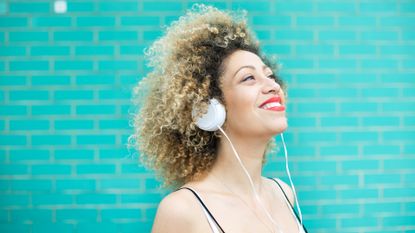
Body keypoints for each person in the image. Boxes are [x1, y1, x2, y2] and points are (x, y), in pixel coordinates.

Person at [131, 4, 308, 233]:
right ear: (210, 110)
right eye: (248, 78)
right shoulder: (183, 210)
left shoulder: (283, 193)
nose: (272, 86)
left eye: (270, 75)